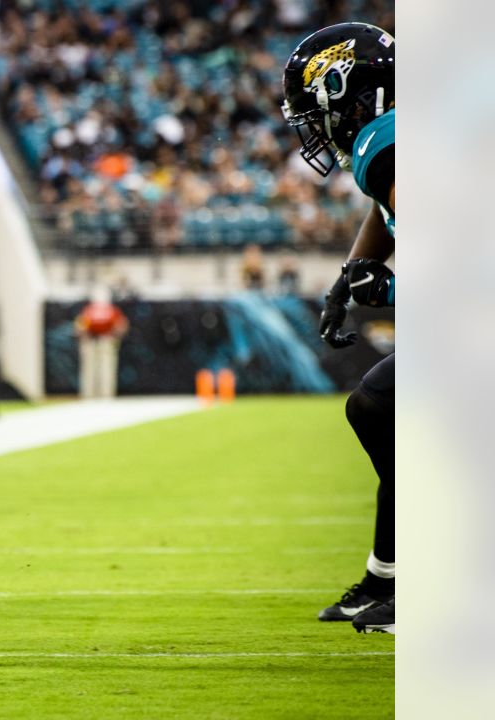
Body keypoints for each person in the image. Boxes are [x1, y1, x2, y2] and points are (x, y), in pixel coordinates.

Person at [282, 22, 395, 633]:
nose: (312, 126)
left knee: (391, 409)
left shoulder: (391, 144)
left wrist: (393, 290)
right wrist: (350, 276)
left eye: (312, 109)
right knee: (378, 406)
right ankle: (389, 573)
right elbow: (389, 213)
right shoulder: (400, 142)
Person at [74, 286, 128, 399]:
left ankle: (98, 394)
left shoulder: (92, 310)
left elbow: (79, 328)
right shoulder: (93, 310)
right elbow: (121, 326)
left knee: (100, 368)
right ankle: (100, 394)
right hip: (98, 341)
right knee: (100, 368)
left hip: (102, 341)